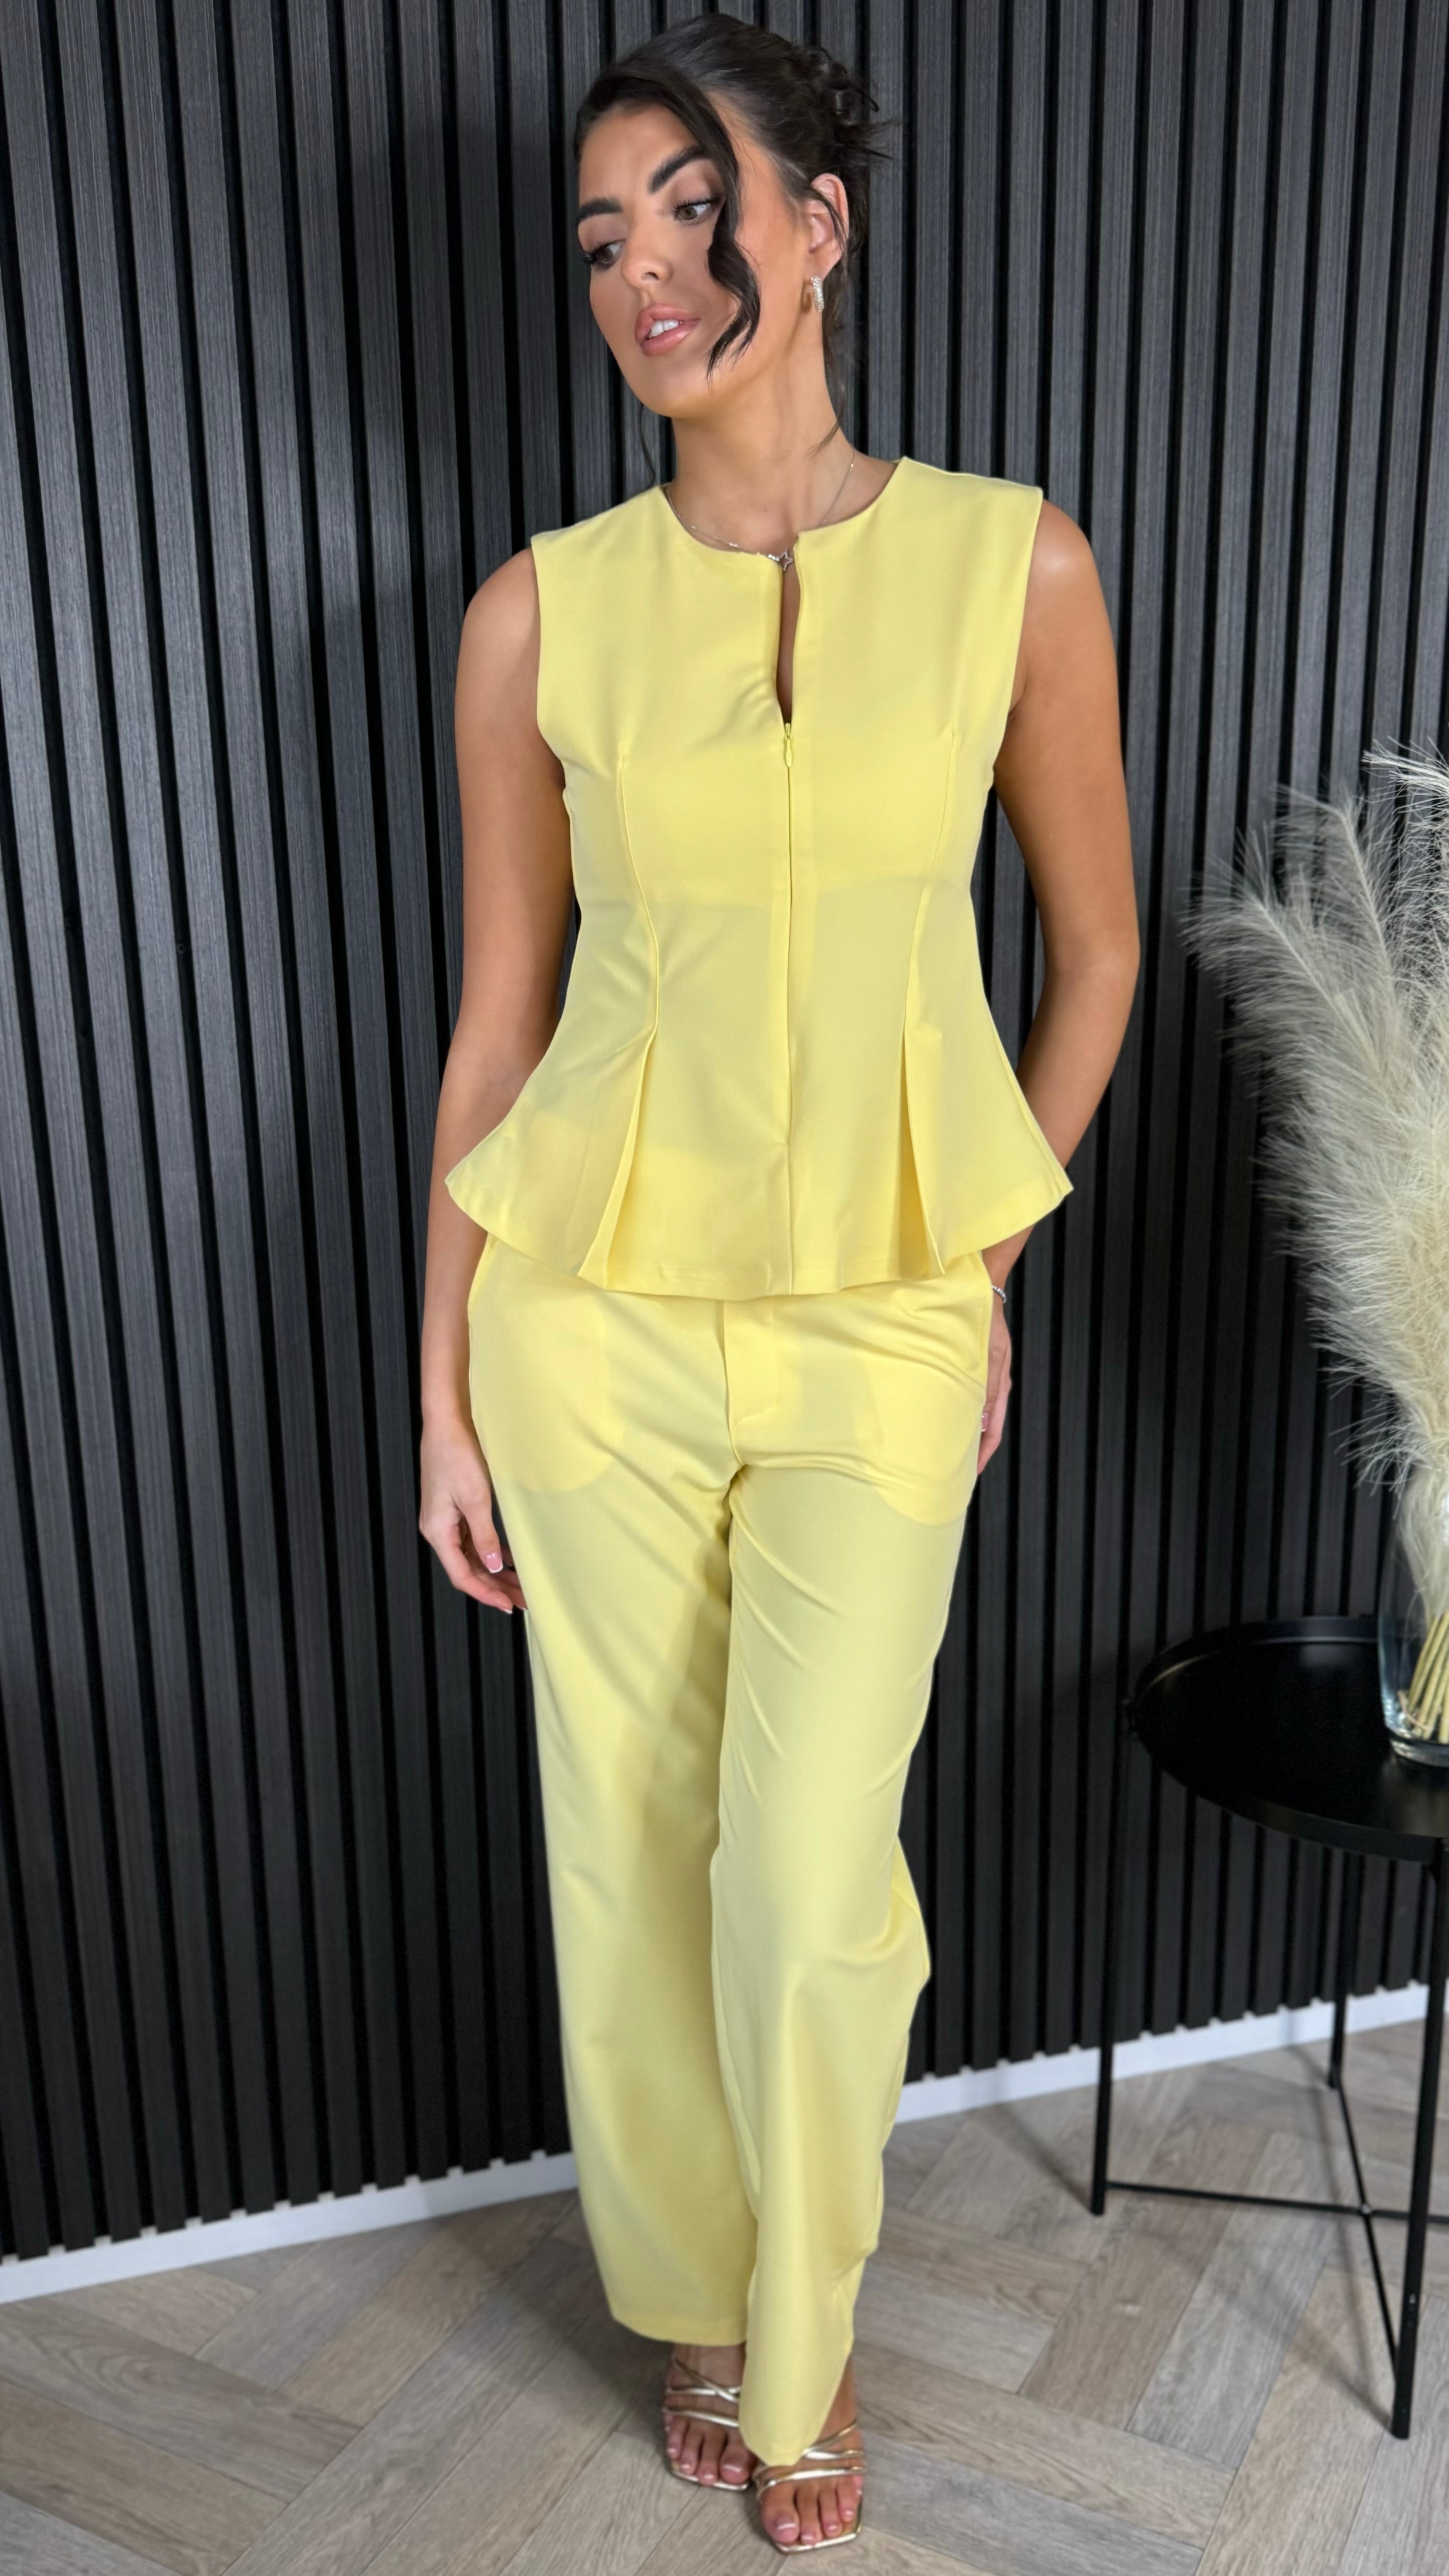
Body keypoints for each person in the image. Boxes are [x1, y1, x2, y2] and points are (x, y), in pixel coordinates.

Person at [419, 16, 1137, 2555]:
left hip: (880, 1325)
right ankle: (701, 2300)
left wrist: (976, 1253)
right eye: (600, 234)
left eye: (690, 207)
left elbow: (1091, 953)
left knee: (806, 1871)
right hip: (584, 1326)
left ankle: (809, 2341)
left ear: (815, 226)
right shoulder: (539, 616)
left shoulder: (1013, 566)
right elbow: (496, 1023)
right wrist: (443, 1386)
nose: (644, 269)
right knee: (627, 1851)